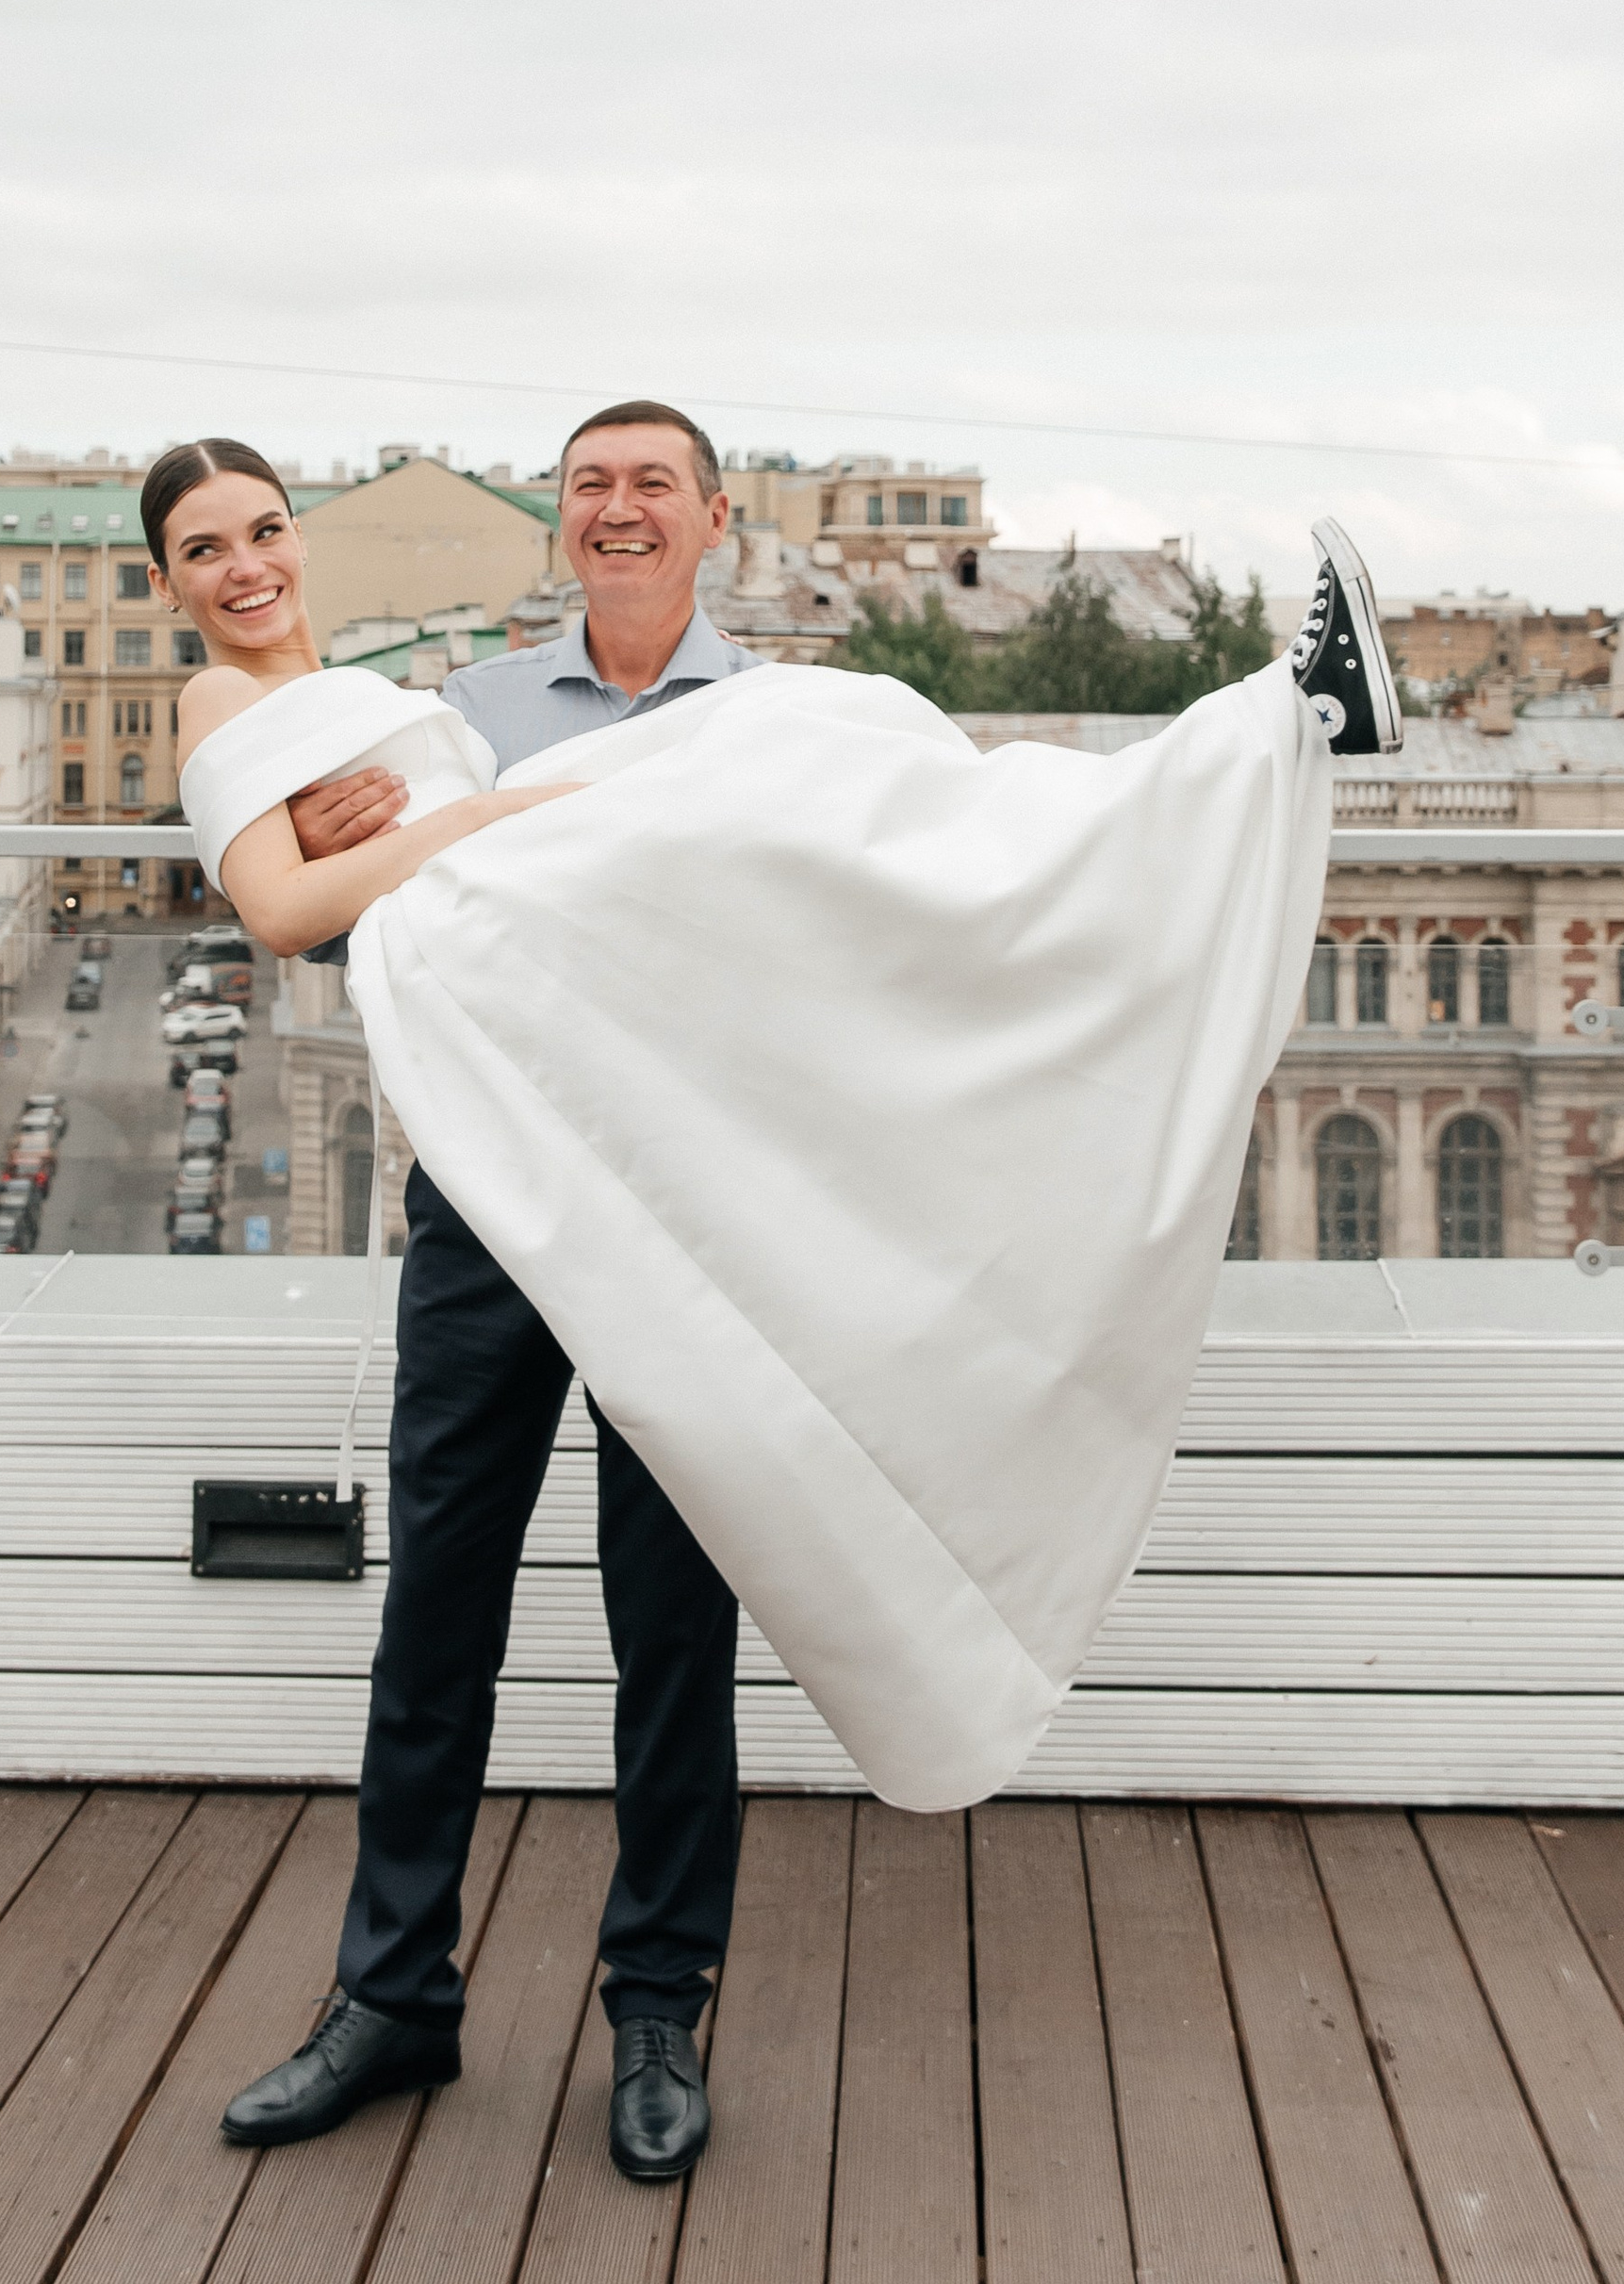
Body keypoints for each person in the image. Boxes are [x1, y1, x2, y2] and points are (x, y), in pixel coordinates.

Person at [151, 413, 1398, 2191]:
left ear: (715, 520)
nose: (619, 508)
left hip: (701, 1210)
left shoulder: (754, 712)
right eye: (589, 483)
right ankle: (390, 1998)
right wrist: (450, 825)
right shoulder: (470, 709)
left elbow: (880, 892)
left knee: (673, 1632)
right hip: (498, 1207)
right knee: (442, 1612)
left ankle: (657, 2013)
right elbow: (377, 914)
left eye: (653, 483)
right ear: (559, 523)